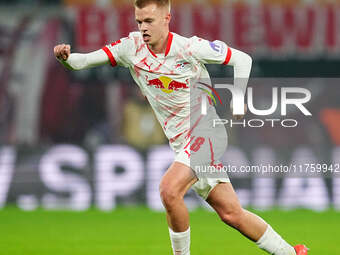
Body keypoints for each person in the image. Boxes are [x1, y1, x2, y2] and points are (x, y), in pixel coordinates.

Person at [54, 0, 308, 254]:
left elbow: (243, 60)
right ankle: (291, 252)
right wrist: (66, 58)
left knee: (169, 190)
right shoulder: (130, 48)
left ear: (167, 18)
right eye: (139, 21)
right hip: (181, 143)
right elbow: (82, 61)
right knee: (231, 214)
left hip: (207, 132)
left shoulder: (189, 48)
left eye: (149, 21)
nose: (143, 27)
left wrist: (239, 100)